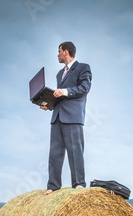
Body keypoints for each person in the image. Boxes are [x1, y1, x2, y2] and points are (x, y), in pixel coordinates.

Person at [40, 41, 92, 195]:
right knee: (54, 153)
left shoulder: (83, 67)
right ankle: (53, 185)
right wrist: (48, 104)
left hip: (73, 116)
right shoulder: (58, 74)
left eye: (59, 51)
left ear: (66, 52)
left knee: (75, 151)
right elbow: (59, 97)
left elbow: (85, 88)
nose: (57, 55)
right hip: (57, 116)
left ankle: (79, 184)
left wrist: (64, 91)